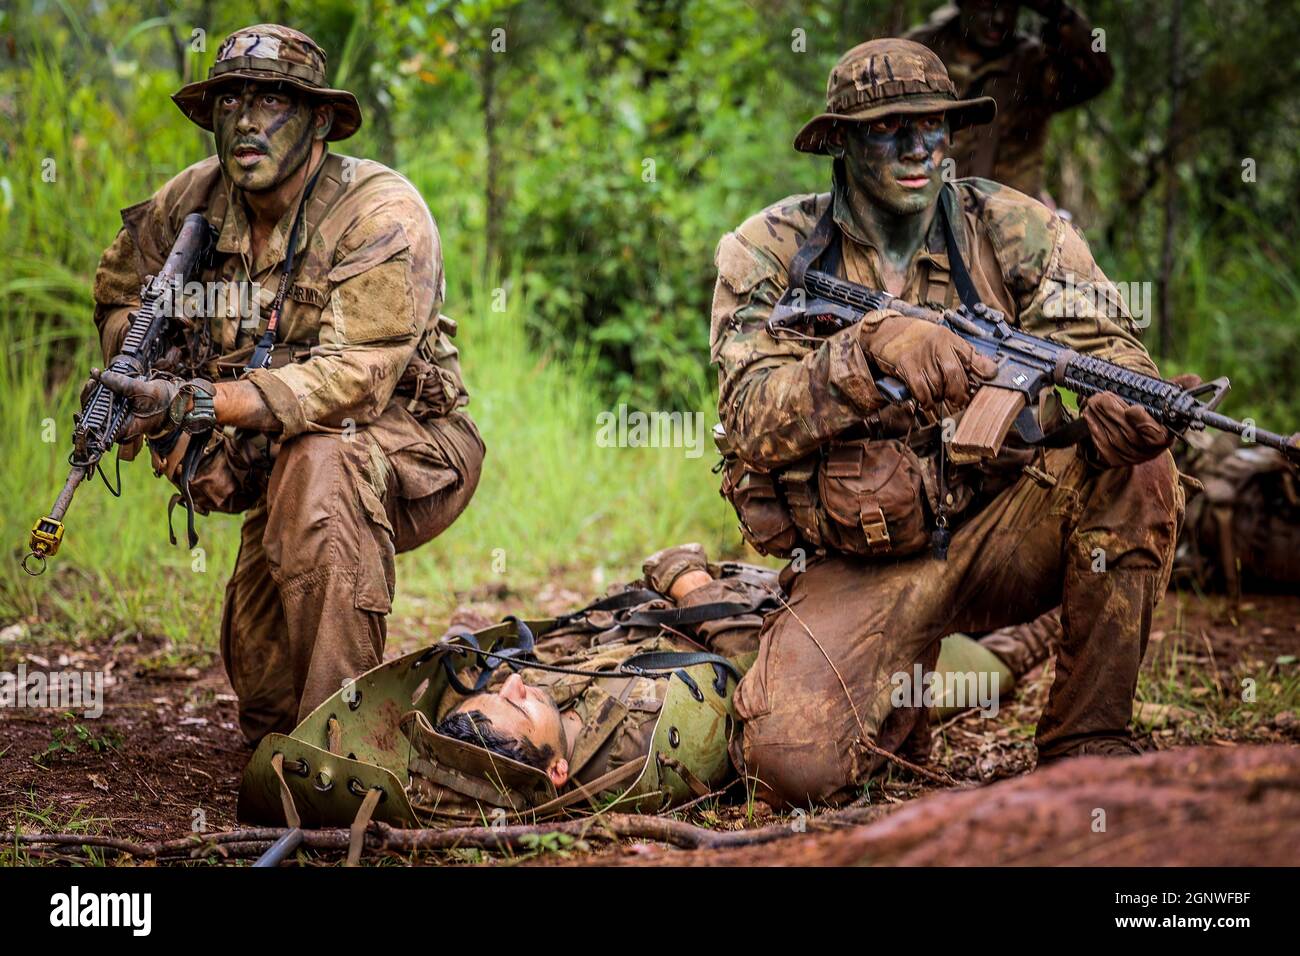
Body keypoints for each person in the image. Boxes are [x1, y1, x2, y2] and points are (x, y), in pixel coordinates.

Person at [710, 37, 1188, 807]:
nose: (917, 147)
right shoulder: (768, 250)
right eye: (886, 129)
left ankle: (1088, 738)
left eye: (933, 125)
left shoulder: (1015, 227)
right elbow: (748, 415)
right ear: (838, 140)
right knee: (787, 765)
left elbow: (1108, 346)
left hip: (1004, 523)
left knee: (1138, 469)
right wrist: (868, 354)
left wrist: (1122, 401)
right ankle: (924, 683)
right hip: (861, 560)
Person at [88, 25, 483, 743]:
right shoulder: (192, 200)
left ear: (321, 120)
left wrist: (206, 400)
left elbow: (357, 379)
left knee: (323, 465)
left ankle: (347, 752)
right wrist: (149, 366)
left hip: (407, 444)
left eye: (273, 100)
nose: (245, 118)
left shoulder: (379, 211)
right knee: (267, 709)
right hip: (276, 458)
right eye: (230, 100)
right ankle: (319, 729)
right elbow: (117, 293)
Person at [419, 544, 1053, 807]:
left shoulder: (548, 728)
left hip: (768, 601)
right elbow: (764, 679)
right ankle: (1058, 619)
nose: (515, 686)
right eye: (519, 704)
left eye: (504, 690)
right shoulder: (648, 740)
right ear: (556, 771)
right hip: (826, 658)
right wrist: (690, 586)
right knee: (982, 659)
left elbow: (528, 665)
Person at [905, 0, 1113, 204]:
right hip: (932, 213)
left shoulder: (1033, 65)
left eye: (1009, 7)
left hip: (1011, 221)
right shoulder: (919, 52)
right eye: (986, 6)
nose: (1000, 18)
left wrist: (1059, 13)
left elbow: (1098, 72)